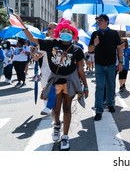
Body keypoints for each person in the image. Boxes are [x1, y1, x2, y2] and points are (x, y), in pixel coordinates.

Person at [16, 15, 88, 151]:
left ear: (73, 34)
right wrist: (23, 26)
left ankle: (65, 136)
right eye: (64, 31)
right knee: (56, 108)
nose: (66, 34)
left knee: (67, 108)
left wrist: (85, 85)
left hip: (70, 82)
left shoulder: (77, 50)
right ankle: (56, 125)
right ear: (59, 32)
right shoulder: (50, 44)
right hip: (55, 81)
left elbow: (80, 68)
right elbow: (32, 39)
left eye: (69, 31)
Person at [88, 14, 123, 121]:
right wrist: (95, 43)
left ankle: (110, 103)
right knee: (99, 87)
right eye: (98, 20)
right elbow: (89, 49)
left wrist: (121, 62)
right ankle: (98, 110)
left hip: (111, 64)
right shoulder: (95, 34)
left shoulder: (114, 33)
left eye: (101, 20)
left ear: (107, 22)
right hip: (99, 65)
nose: (99, 22)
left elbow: (119, 48)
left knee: (111, 85)